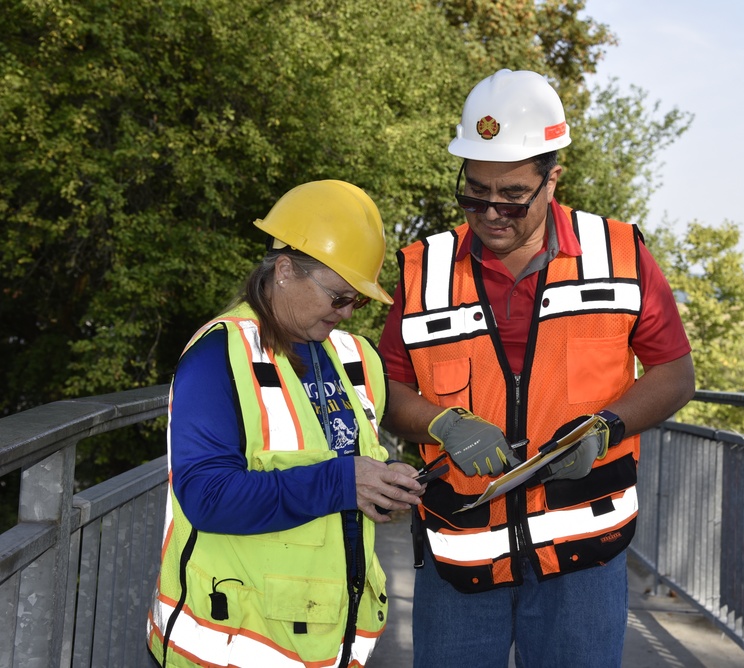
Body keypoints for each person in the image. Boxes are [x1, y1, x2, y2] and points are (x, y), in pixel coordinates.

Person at [378, 69, 696, 667]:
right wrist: (443, 423)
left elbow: (675, 373)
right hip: (460, 558)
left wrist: (607, 427)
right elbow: (386, 389)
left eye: (511, 197)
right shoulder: (425, 271)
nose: (490, 213)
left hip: (583, 557)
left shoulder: (620, 254)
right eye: (473, 194)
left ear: (553, 179)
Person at [147, 180, 424, 668]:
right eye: (338, 297)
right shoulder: (219, 355)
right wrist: (343, 482)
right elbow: (207, 498)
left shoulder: (355, 359)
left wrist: (381, 490)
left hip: (327, 649)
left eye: (356, 302)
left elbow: (349, 470)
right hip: (226, 651)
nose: (345, 314)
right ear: (284, 270)